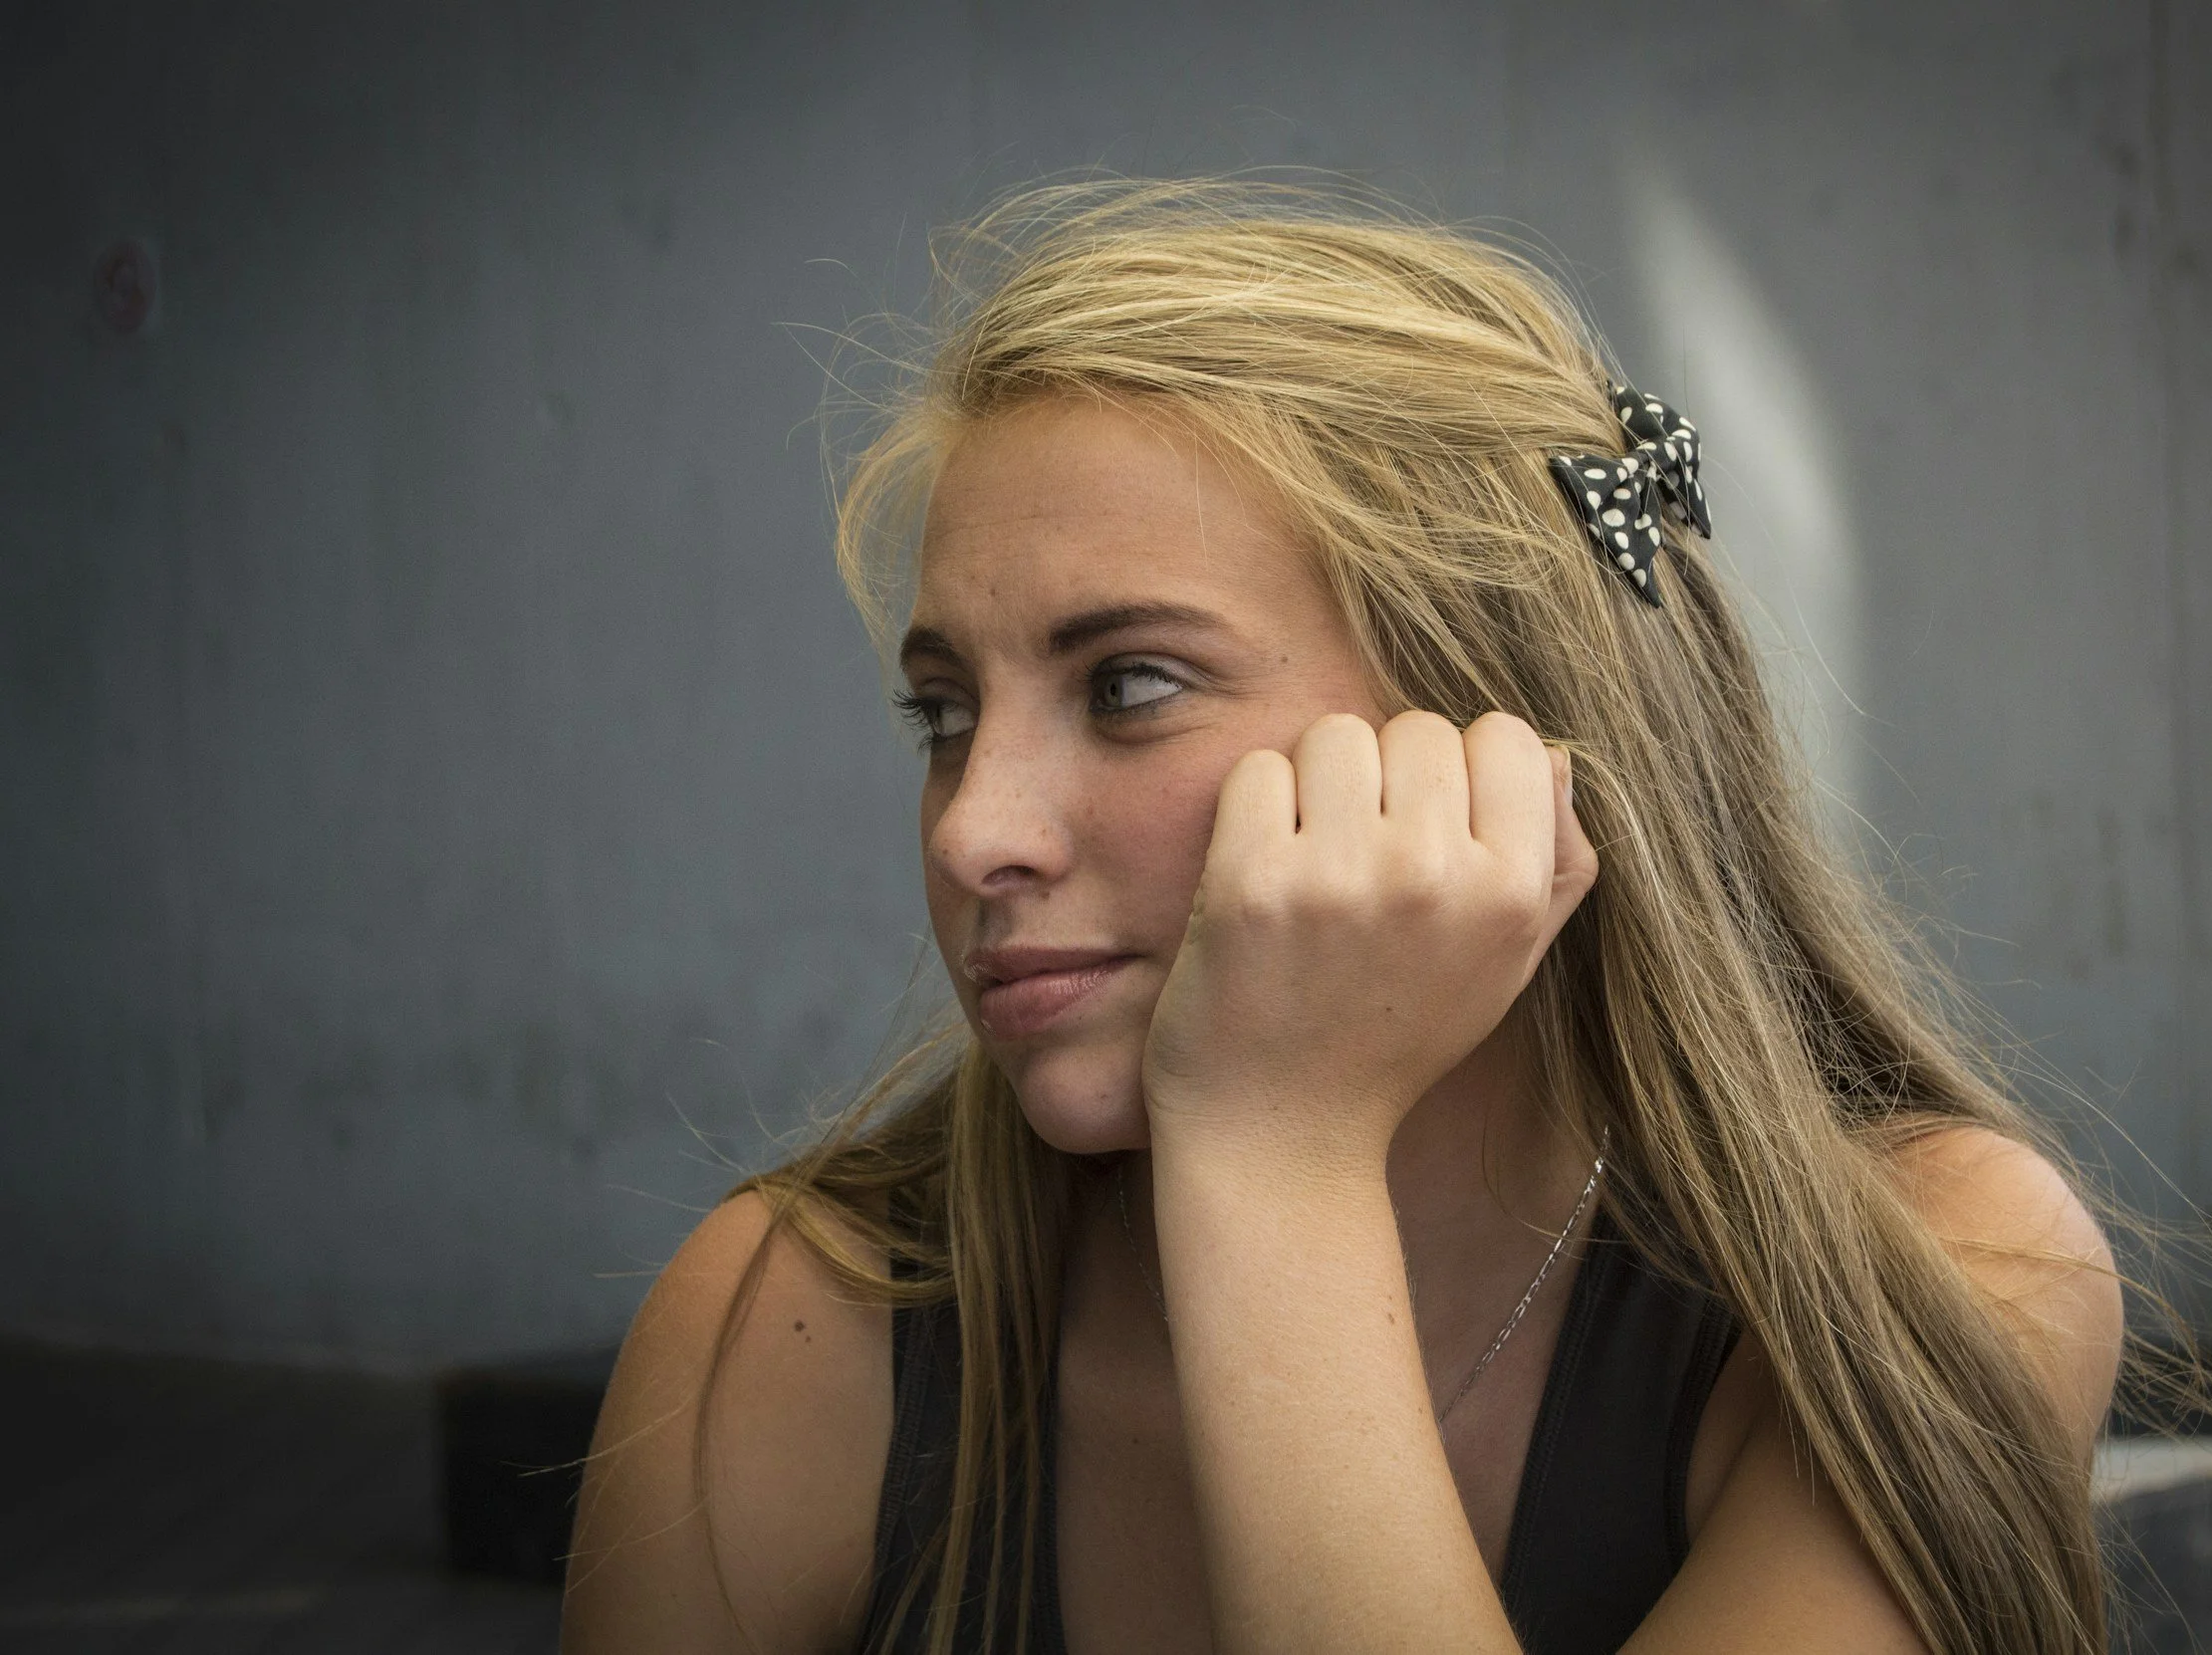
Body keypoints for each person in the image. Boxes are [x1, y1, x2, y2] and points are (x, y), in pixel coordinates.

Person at [561, 181, 2125, 1655]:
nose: (974, 831)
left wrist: (1275, 1154)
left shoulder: (1931, 1273)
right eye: (944, 714)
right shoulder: (794, 1324)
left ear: (1503, 734)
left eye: (1131, 686)